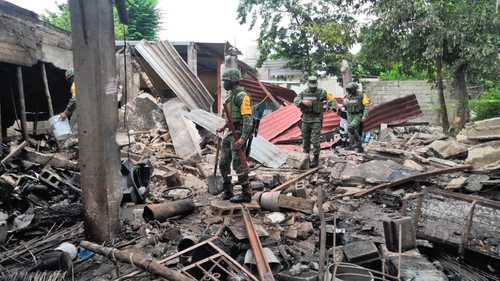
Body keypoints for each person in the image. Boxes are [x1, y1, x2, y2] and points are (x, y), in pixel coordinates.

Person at [216, 68, 253, 203]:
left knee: (239, 163)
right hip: (230, 131)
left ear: (232, 80)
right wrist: (223, 126)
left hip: (239, 133)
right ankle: (228, 189)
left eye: (225, 81)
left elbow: (248, 119)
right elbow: (231, 117)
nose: (224, 83)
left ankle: (246, 193)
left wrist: (243, 138)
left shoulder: (242, 96)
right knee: (223, 162)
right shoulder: (231, 96)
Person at [294, 76, 336, 168]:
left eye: (314, 85)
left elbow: (332, 99)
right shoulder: (303, 93)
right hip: (305, 119)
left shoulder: (321, 92)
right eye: (311, 85)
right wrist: (302, 102)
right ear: (308, 84)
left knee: (315, 140)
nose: (313, 87)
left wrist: (333, 107)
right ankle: (306, 158)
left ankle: (316, 159)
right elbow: (296, 100)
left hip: (316, 119)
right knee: (305, 140)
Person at [345, 82, 368, 152]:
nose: (349, 91)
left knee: (351, 127)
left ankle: (359, 142)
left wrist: (364, 116)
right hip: (350, 115)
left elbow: (366, 106)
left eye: (350, 89)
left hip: (358, 114)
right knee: (350, 132)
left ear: (354, 89)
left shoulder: (362, 95)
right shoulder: (348, 96)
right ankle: (354, 146)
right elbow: (347, 105)